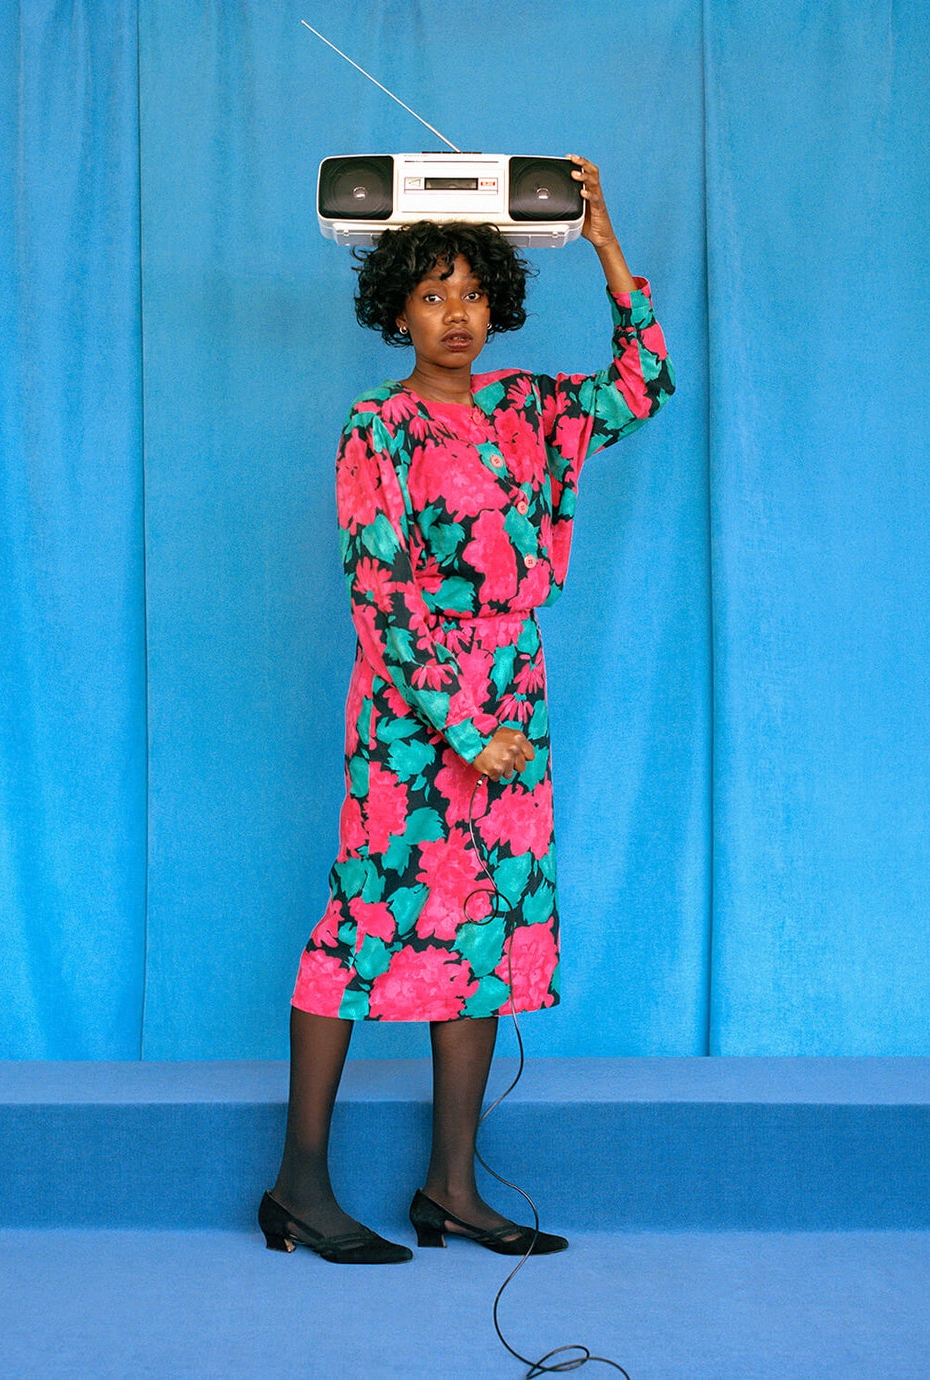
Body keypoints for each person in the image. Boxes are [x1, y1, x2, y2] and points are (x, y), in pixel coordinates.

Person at [260, 157, 674, 1264]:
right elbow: (381, 596)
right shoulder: (377, 427)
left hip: (516, 702)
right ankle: (299, 1184)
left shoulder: (531, 410)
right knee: (360, 929)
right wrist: (463, 729)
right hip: (414, 719)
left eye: (475, 292)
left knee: (483, 934)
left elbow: (645, 384)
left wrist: (604, 242)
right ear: (394, 308)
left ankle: (450, 1188)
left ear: (500, 302)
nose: (457, 313)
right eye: (433, 293)